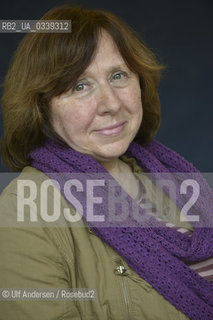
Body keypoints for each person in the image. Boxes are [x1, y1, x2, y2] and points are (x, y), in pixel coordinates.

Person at [0, 4, 212, 320]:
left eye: (118, 75)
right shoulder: (22, 208)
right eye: (79, 86)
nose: (111, 103)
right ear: (42, 106)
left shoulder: (176, 178)